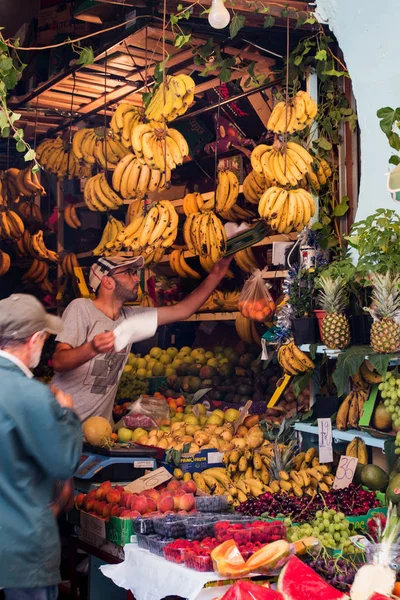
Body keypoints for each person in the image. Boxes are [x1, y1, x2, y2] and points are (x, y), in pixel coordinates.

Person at [52, 254, 233, 422]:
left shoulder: (130, 317)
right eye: (128, 272)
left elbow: (182, 310)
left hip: (96, 431)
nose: (136, 277)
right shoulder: (82, 308)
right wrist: (91, 348)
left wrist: (216, 274)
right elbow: (59, 361)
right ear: (107, 281)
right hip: (59, 424)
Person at [0, 294, 82, 600]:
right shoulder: (33, 395)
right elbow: (64, 462)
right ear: (35, 339)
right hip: (22, 548)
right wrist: (67, 414)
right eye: (45, 337)